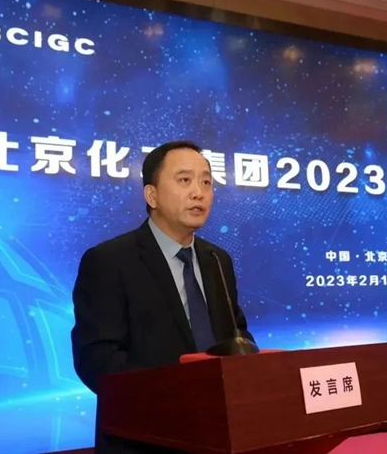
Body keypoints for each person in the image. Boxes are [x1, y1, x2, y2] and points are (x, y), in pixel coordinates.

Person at [71, 141, 254, 454]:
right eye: (185, 180)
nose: (199, 193)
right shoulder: (109, 261)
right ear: (151, 195)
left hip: (220, 436)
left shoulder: (217, 260)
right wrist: (176, 399)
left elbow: (236, 335)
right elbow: (96, 360)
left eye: (206, 182)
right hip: (146, 440)